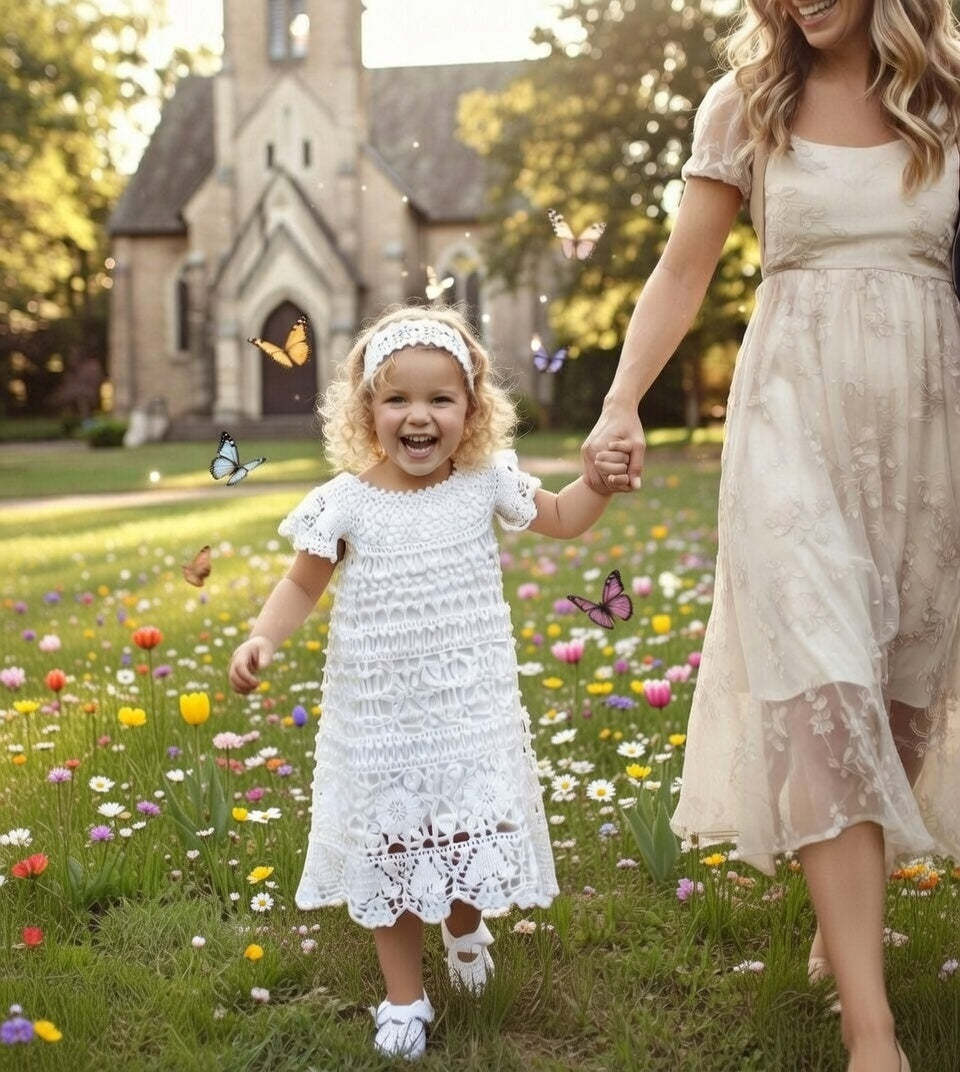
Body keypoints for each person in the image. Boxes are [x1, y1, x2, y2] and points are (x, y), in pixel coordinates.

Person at [581, 1, 960, 1070]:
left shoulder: (949, 93)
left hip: (930, 429)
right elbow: (682, 270)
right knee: (824, 681)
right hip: (795, 419)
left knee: (897, 696)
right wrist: (619, 404)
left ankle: (838, 922)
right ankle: (871, 1030)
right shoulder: (746, 102)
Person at [229, 305, 628, 1061]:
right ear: (366, 410)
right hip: (381, 715)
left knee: (465, 827)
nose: (419, 416)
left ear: (471, 410)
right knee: (393, 843)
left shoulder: (483, 484)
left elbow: (565, 517)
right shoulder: (346, 503)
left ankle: (465, 925)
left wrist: (598, 483)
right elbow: (299, 586)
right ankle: (404, 998)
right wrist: (261, 638)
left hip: (467, 706)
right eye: (397, 399)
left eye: (440, 399)